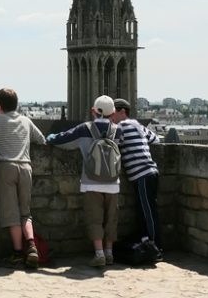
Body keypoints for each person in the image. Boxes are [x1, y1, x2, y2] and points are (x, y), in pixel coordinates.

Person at [47, 95, 121, 267]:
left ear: (93, 111)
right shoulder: (118, 130)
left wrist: (49, 137)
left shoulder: (85, 128)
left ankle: (99, 254)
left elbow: (61, 139)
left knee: (94, 218)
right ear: (112, 113)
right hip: (113, 182)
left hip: (91, 181)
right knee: (111, 219)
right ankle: (110, 253)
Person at [0, 88, 46, 269]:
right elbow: (42, 140)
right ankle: (31, 246)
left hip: (6, 167)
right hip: (26, 166)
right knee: (25, 212)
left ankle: (17, 253)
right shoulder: (26, 120)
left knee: (11, 214)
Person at [112, 98, 163, 257]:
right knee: (145, 211)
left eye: (113, 112)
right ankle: (148, 243)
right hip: (150, 172)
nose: (111, 116)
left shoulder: (121, 127)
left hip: (142, 175)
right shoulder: (137, 125)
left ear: (122, 112)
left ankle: (155, 247)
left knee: (147, 212)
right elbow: (156, 139)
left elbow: (112, 143)